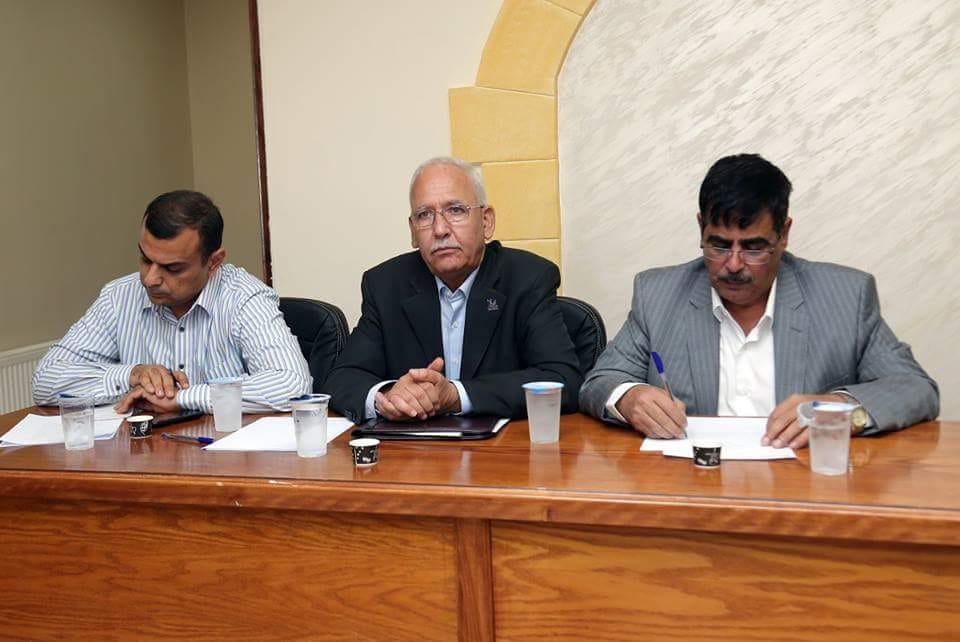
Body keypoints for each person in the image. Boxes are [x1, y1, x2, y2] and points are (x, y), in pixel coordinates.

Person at [579, 154, 938, 448]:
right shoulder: (658, 294)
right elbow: (601, 380)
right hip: (691, 485)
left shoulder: (845, 296)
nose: (734, 264)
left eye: (753, 248)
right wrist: (629, 397)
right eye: (719, 245)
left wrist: (840, 409)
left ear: (784, 234)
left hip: (803, 488)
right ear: (701, 227)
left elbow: (915, 388)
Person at [326, 157, 582, 423]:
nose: (440, 229)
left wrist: (456, 396)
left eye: (456, 210)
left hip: (503, 445)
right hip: (413, 447)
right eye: (424, 215)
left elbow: (562, 379)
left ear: (486, 222)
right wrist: (389, 395)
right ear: (413, 232)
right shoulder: (385, 285)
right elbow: (342, 377)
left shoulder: (528, 278)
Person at [33, 190, 311, 413]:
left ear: (214, 262)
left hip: (227, 458)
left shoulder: (243, 297)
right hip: (142, 456)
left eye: (172, 268)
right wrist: (132, 375)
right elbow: (45, 381)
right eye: (145, 259)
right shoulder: (119, 297)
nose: (150, 279)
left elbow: (292, 384)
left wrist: (183, 398)